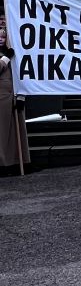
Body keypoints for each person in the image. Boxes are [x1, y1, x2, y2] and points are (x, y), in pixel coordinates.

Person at [0, 29, 29, 176]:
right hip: (2, 99)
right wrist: (5, 59)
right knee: (3, 134)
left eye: (4, 36)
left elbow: (23, 74)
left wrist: (22, 96)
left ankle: (18, 163)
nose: (1, 38)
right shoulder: (7, 56)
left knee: (17, 135)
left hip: (14, 97)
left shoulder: (16, 53)